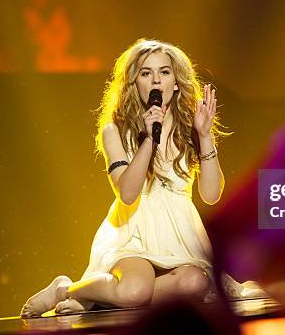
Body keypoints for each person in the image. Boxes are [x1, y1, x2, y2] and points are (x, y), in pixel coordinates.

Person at [21, 39, 229, 317]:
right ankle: (65, 289)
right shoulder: (115, 130)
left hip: (180, 238)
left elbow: (211, 195)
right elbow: (128, 194)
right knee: (135, 291)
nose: (156, 80)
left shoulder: (191, 127)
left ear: (176, 82)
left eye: (164, 72)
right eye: (146, 73)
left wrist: (204, 136)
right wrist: (148, 140)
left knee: (196, 283)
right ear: (134, 83)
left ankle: (100, 298)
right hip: (133, 235)